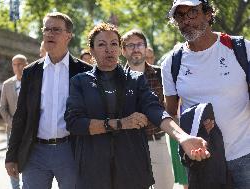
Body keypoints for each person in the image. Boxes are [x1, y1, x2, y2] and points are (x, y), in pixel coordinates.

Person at [65, 22, 210, 189]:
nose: (109, 49)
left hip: (131, 168)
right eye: (101, 44)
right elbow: (74, 123)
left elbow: (155, 109)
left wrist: (183, 137)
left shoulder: (135, 79)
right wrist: (120, 123)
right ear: (91, 51)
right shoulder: (79, 82)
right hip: (93, 169)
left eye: (114, 44)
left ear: (120, 49)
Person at [162, 0, 250, 188]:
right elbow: (171, 113)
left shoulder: (241, 48)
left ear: (208, 14)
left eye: (192, 12)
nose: (186, 20)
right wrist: (192, 131)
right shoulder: (171, 63)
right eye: (180, 15)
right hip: (203, 161)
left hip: (245, 155)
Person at [5, 12, 92, 189]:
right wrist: (11, 155)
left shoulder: (84, 71)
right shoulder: (31, 72)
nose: (49, 33)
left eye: (56, 30)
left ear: (69, 36)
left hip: (71, 150)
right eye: (46, 29)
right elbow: (21, 115)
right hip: (35, 152)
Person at [121, 29, 174, 189]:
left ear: (145, 47)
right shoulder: (117, 78)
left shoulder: (160, 74)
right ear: (123, 51)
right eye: (130, 45)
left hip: (158, 141)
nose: (136, 49)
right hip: (130, 145)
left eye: (139, 44)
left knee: (165, 185)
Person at [0, 54, 28, 189]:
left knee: (29, 159)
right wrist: (14, 124)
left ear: (26, 64)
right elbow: (2, 108)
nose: (18, 67)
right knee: (12, 161)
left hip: (30, 130)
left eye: (21, 63)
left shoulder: (32, 82)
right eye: (15, 64)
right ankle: (15, 187)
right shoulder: (7, 84)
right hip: (12, 130)